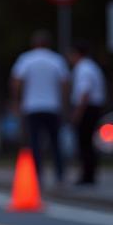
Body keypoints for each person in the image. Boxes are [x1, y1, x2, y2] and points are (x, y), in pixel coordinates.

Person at [10, 29, 69, 184]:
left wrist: (17, 101)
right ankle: (59, 175)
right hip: (52, 106)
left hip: (32, 106)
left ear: (34, 44)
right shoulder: (57, 60)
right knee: (55, 143)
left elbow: (16, 82)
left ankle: (37, 176)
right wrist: (63, 103)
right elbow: (64, 84)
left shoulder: (26, 60)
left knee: (34, 143)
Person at [67, 40, 107, 186]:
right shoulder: (91, 67)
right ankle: (89, 174)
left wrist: (77, 113)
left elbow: (84, 92)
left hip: (88, 108)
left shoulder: (83, 68)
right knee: (88, 143)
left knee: (84, 143)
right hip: (93, 107)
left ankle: (87, 175)